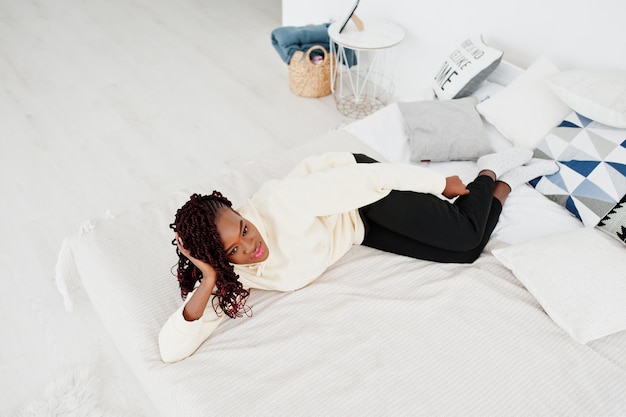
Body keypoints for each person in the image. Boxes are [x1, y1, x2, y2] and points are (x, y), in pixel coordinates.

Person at [159, 148, 557, 362]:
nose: (250, 245)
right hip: (354, 228)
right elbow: (171, 349)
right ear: (219, 259)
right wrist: (208, 278)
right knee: (466, 254)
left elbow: (369, 180)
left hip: (361, 191)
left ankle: (485, 175)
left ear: (241, 213)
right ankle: (504, 186)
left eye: (244, 227)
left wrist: (440, 182)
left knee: (463, 233)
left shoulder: (285, 202)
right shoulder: (232, 275)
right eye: (233, 250)